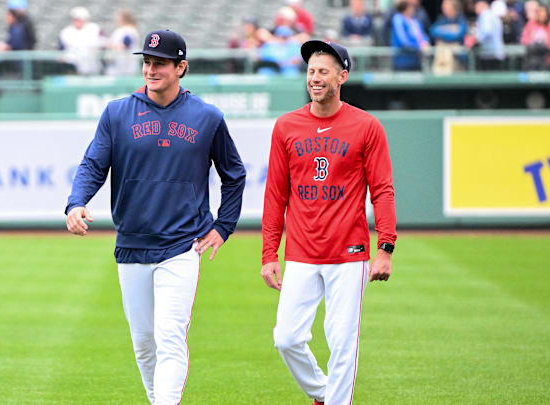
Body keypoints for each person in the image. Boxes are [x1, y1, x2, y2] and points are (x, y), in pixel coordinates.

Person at [65, 30, 246, 405]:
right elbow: (93, 164)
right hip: (131, 243)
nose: (151, 69)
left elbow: (234, 174)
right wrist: (76, 202)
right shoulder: (117, 112)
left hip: (182, 246)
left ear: (181, 67)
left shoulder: (207, 117)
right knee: (145, 344)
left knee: (169, 336)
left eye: (160, 62)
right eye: (147, 61)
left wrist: (223, 227)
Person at [261, 40, 396, 405]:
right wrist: (268, 254)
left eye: (323, 71)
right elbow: (275, 194)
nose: (315, 78)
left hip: (349, 253)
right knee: (285, 338)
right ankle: (322, 392)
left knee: (341, 343)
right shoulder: (287, 126)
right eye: (311, 71)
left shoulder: (366, 126)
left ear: (342, 77)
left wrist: (385, 248)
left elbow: (383, 191)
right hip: (302, 252)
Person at [58, 7, 103, 75]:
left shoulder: (94, 28)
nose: (78, 21)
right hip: (73, 66)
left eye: (80, 19)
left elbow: (101, 45)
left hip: (92, 65)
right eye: (76, 19)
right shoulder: (66, 32)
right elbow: (61, 49)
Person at [465, 0, 505, 70]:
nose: (475, 9)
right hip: (496, 54)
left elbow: (487, 32)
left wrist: (475, 40)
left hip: (489, 55)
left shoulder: (485, 14)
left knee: (489, 79)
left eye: (477, 6)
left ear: (482, 4)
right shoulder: (493, 15)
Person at [430, 0, 468, 73]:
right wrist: (450, 30)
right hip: (441, 55)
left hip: (457, 57)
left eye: (446, 6)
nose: (443, 7)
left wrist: (442, 33)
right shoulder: (441, 19)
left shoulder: (460, 19)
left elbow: (458, 35)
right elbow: (433, 32)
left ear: (453, 7)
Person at [391, 0, 430, 71]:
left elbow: (422, 35)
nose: (413, 9)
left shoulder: (415, 21)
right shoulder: (398, 19)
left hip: (416, 60)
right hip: (402, 60)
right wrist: (418, 47)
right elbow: (403, 40)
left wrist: (425, 42)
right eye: (410, 7)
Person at [520, 2, 550, 70]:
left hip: (547, 60)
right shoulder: (530, 24)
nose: (540, 14)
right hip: (531, 59)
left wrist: (542, 46)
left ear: (547, 14)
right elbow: (524, 39)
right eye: (538, 12)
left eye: (542, 12)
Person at [105, 9, 141, 76]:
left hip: (124, 65)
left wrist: (110, 44)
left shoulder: (128, 30)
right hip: (123, 64)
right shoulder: (130, 29)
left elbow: (126, 44)